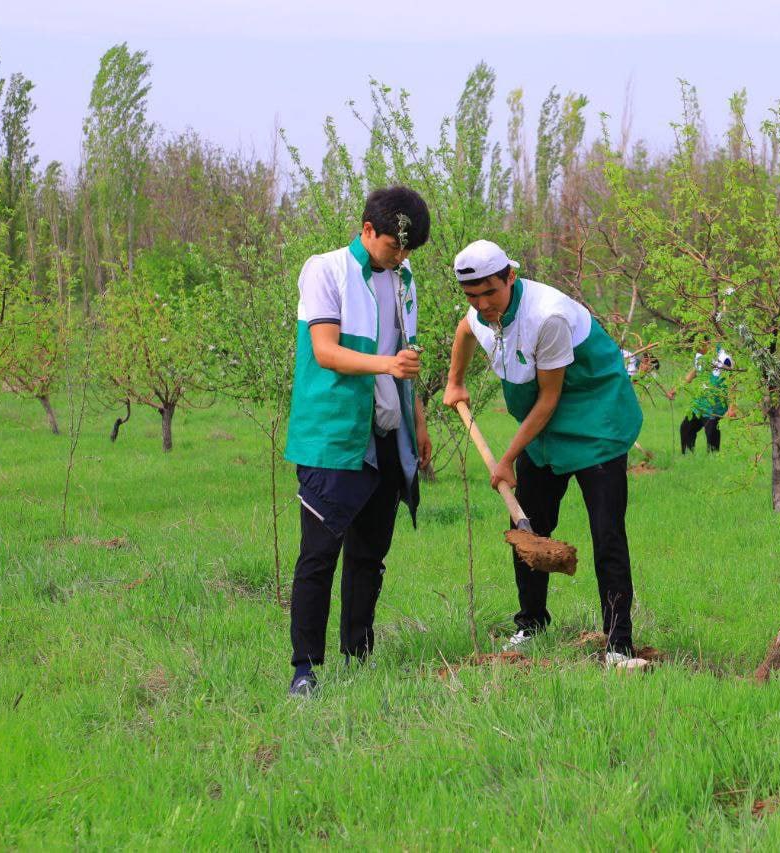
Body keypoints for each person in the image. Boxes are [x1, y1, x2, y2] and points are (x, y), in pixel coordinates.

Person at [442, 240, 646, 668]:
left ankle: (618, 645)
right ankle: (531, 623)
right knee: (527, 527)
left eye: (489, 294)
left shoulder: (546, 316)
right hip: (545, 426)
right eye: (472, 296)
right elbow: (465, 330)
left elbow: (549, 399)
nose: (481, 305)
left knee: (607, 532)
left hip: (595, 419)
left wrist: (506, 458)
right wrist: (455, 381)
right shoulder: (481, 313)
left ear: (511, 277)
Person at [283, 186, 433, 697]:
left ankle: (359, 657)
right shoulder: (324, 270)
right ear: (368, 230)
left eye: (408, 251)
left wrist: (418, 418)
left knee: (370, 553)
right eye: (395, 246)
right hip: (335, 433)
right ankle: (305, 670)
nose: (401, 257)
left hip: (388, 431)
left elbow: (404, 354)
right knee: (320, 553)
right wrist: (386, 365)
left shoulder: (404, 278)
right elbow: (325, 351)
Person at [667, 342, 735, 453]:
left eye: (699, 347)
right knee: (686, 428)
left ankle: (713, 461)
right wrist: (676, 389)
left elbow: (732, 383)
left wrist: (732, 407)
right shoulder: (699, 355)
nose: (696, 350)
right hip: (699, 403)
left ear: (707, 343)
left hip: (714, 406)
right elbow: (694, 372)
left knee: (711, 434)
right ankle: (688, 457)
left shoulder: (725, 359)